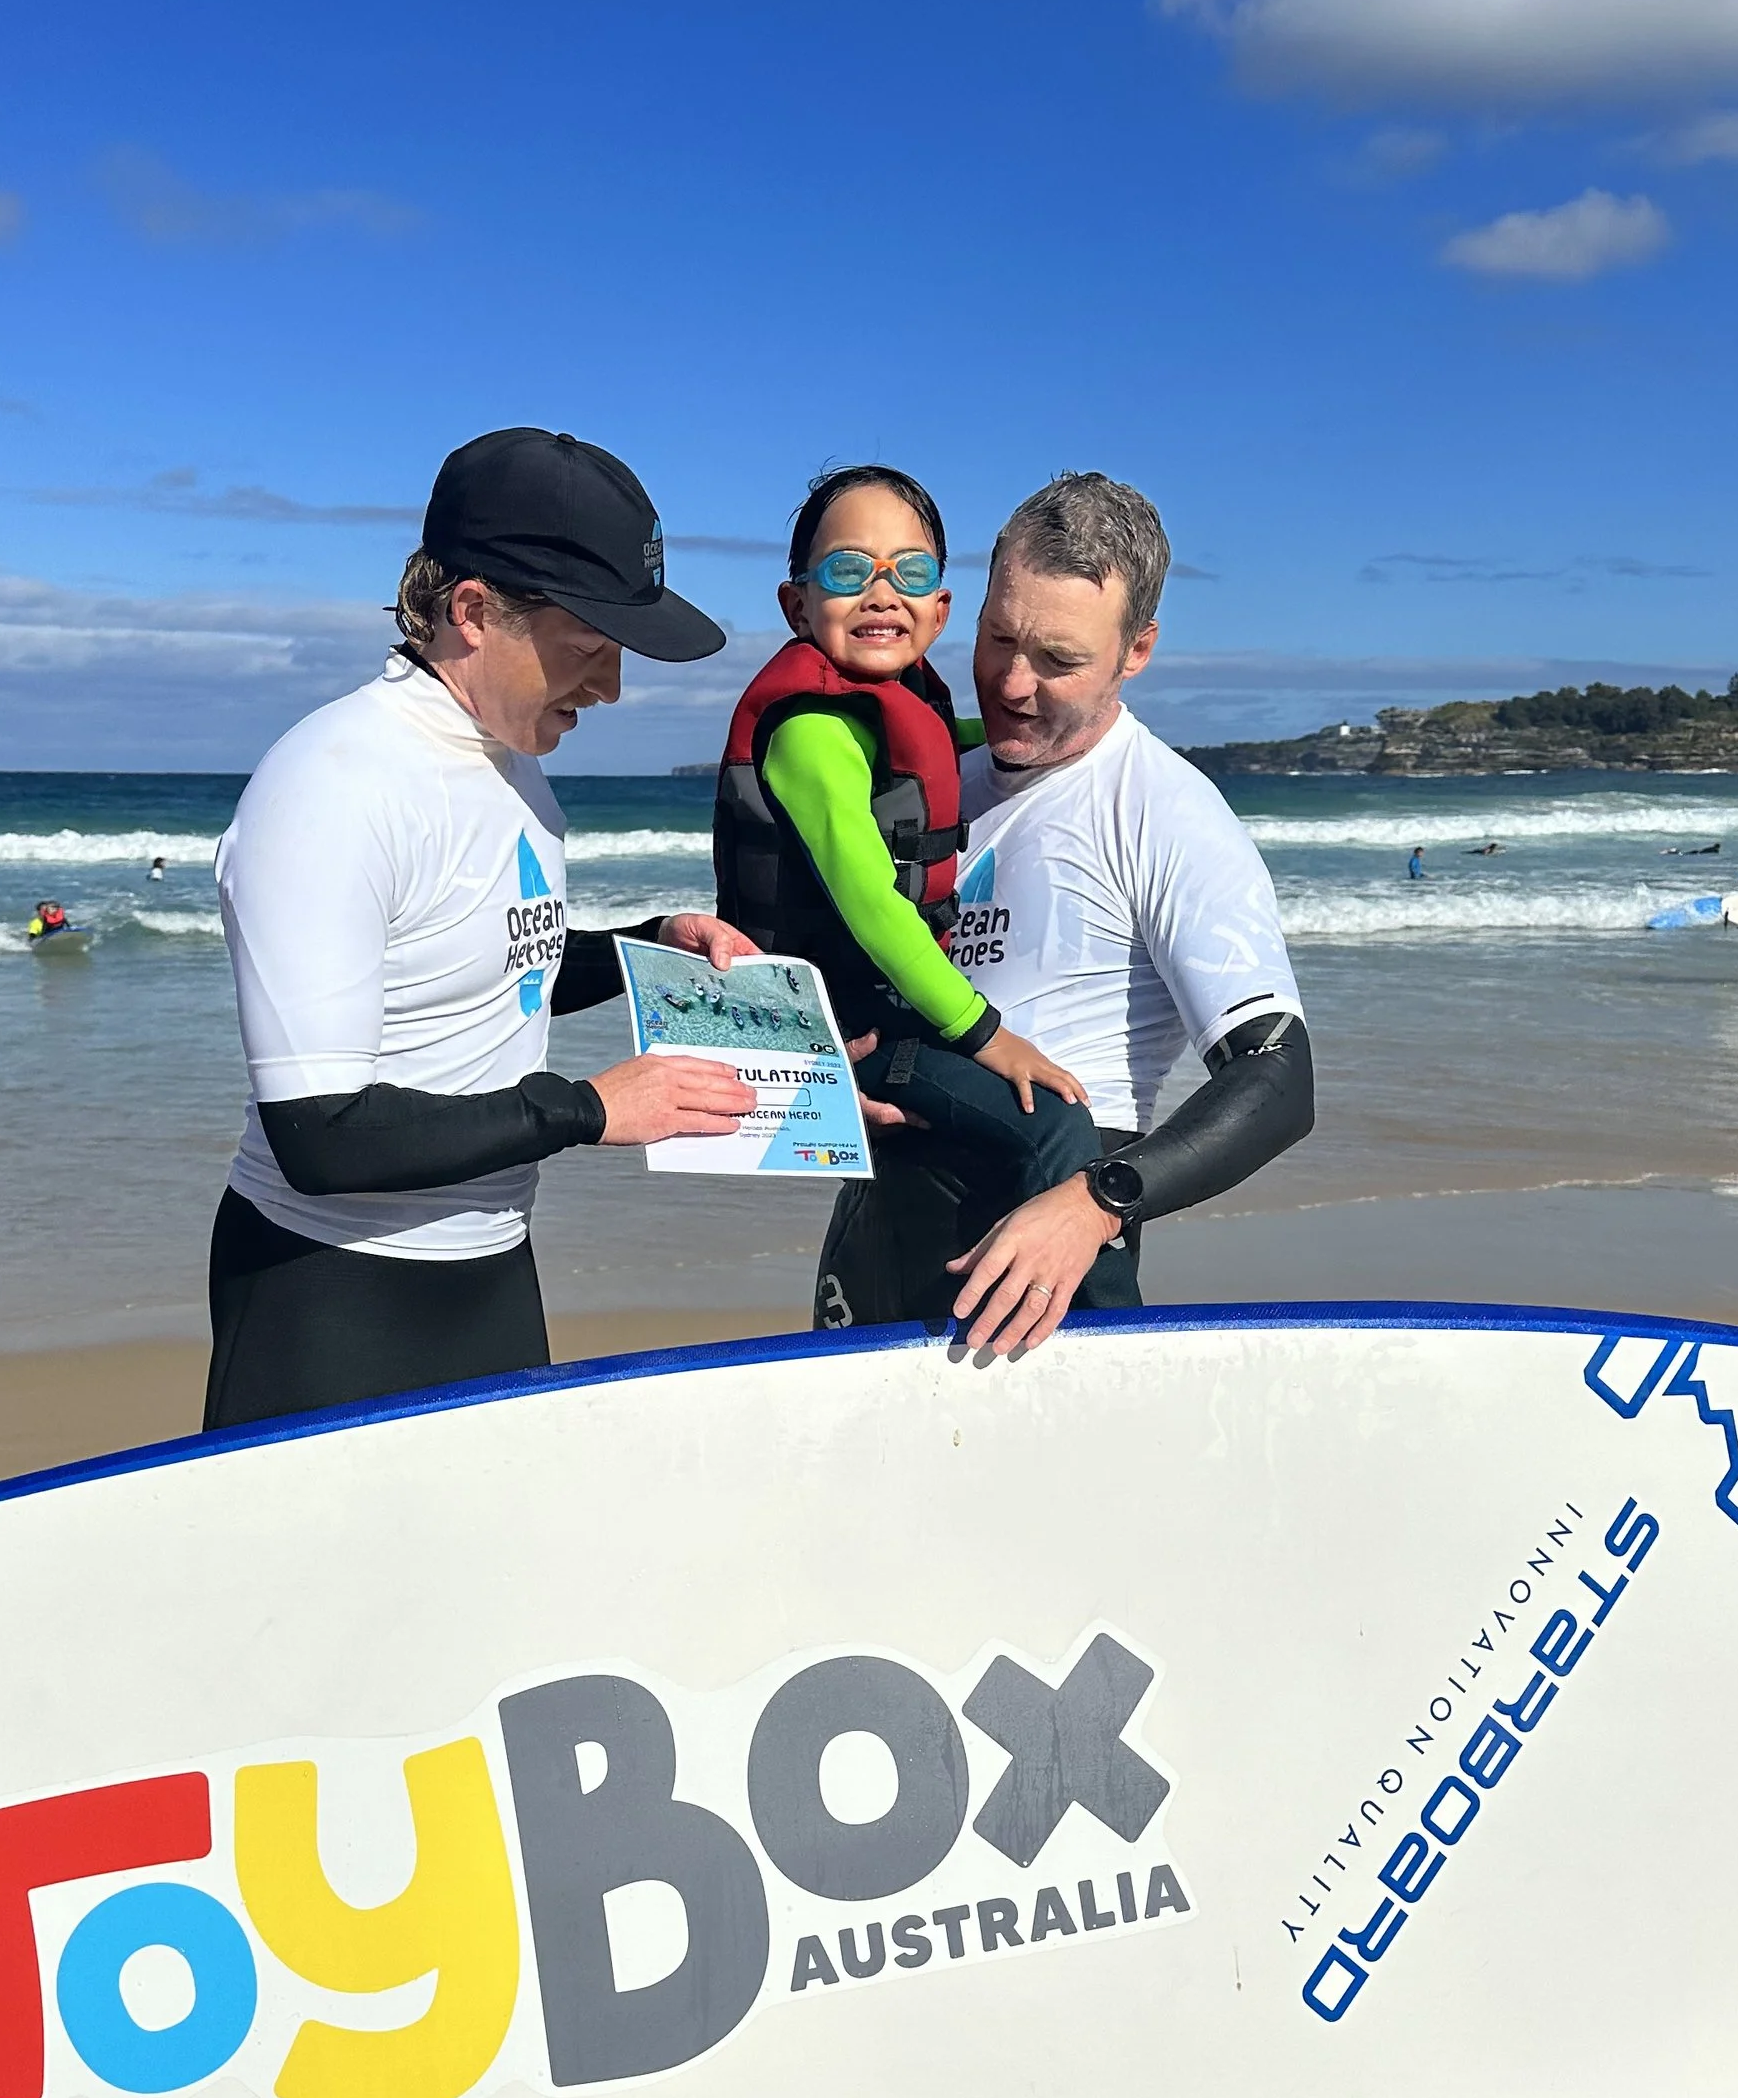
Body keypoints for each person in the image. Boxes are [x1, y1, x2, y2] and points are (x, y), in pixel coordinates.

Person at [205, 427, 759, 1431]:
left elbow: (497, 962)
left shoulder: (508, 764)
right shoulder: (333, 784)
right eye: (589, 649)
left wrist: (650, 946)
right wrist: (587, 1109)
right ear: (472, 613)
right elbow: (319, 1137)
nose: (612, 688)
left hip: (493, 1272)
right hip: (329, 1291)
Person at [815, 471, 1312, 1355]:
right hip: (874, 1215)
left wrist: (1098, 1202)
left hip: (1042, 1233)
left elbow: (1276, 1082)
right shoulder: (936, 785)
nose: (1011, 681)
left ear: (1136, 650)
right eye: (998, 636)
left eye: (1059, 660)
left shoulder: (1165, 811)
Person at [712, 465, 1111, 1286]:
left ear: (940, 609)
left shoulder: (911, 704)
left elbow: (953, 755)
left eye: (911, 572)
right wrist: (988, 1036)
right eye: (848, 570)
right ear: (796, 604)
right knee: (1061, 1125)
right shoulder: (813, 735)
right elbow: (872, 908)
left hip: (887, 1019)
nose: (881, 593)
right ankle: (1104, 1340)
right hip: (850, 1033)